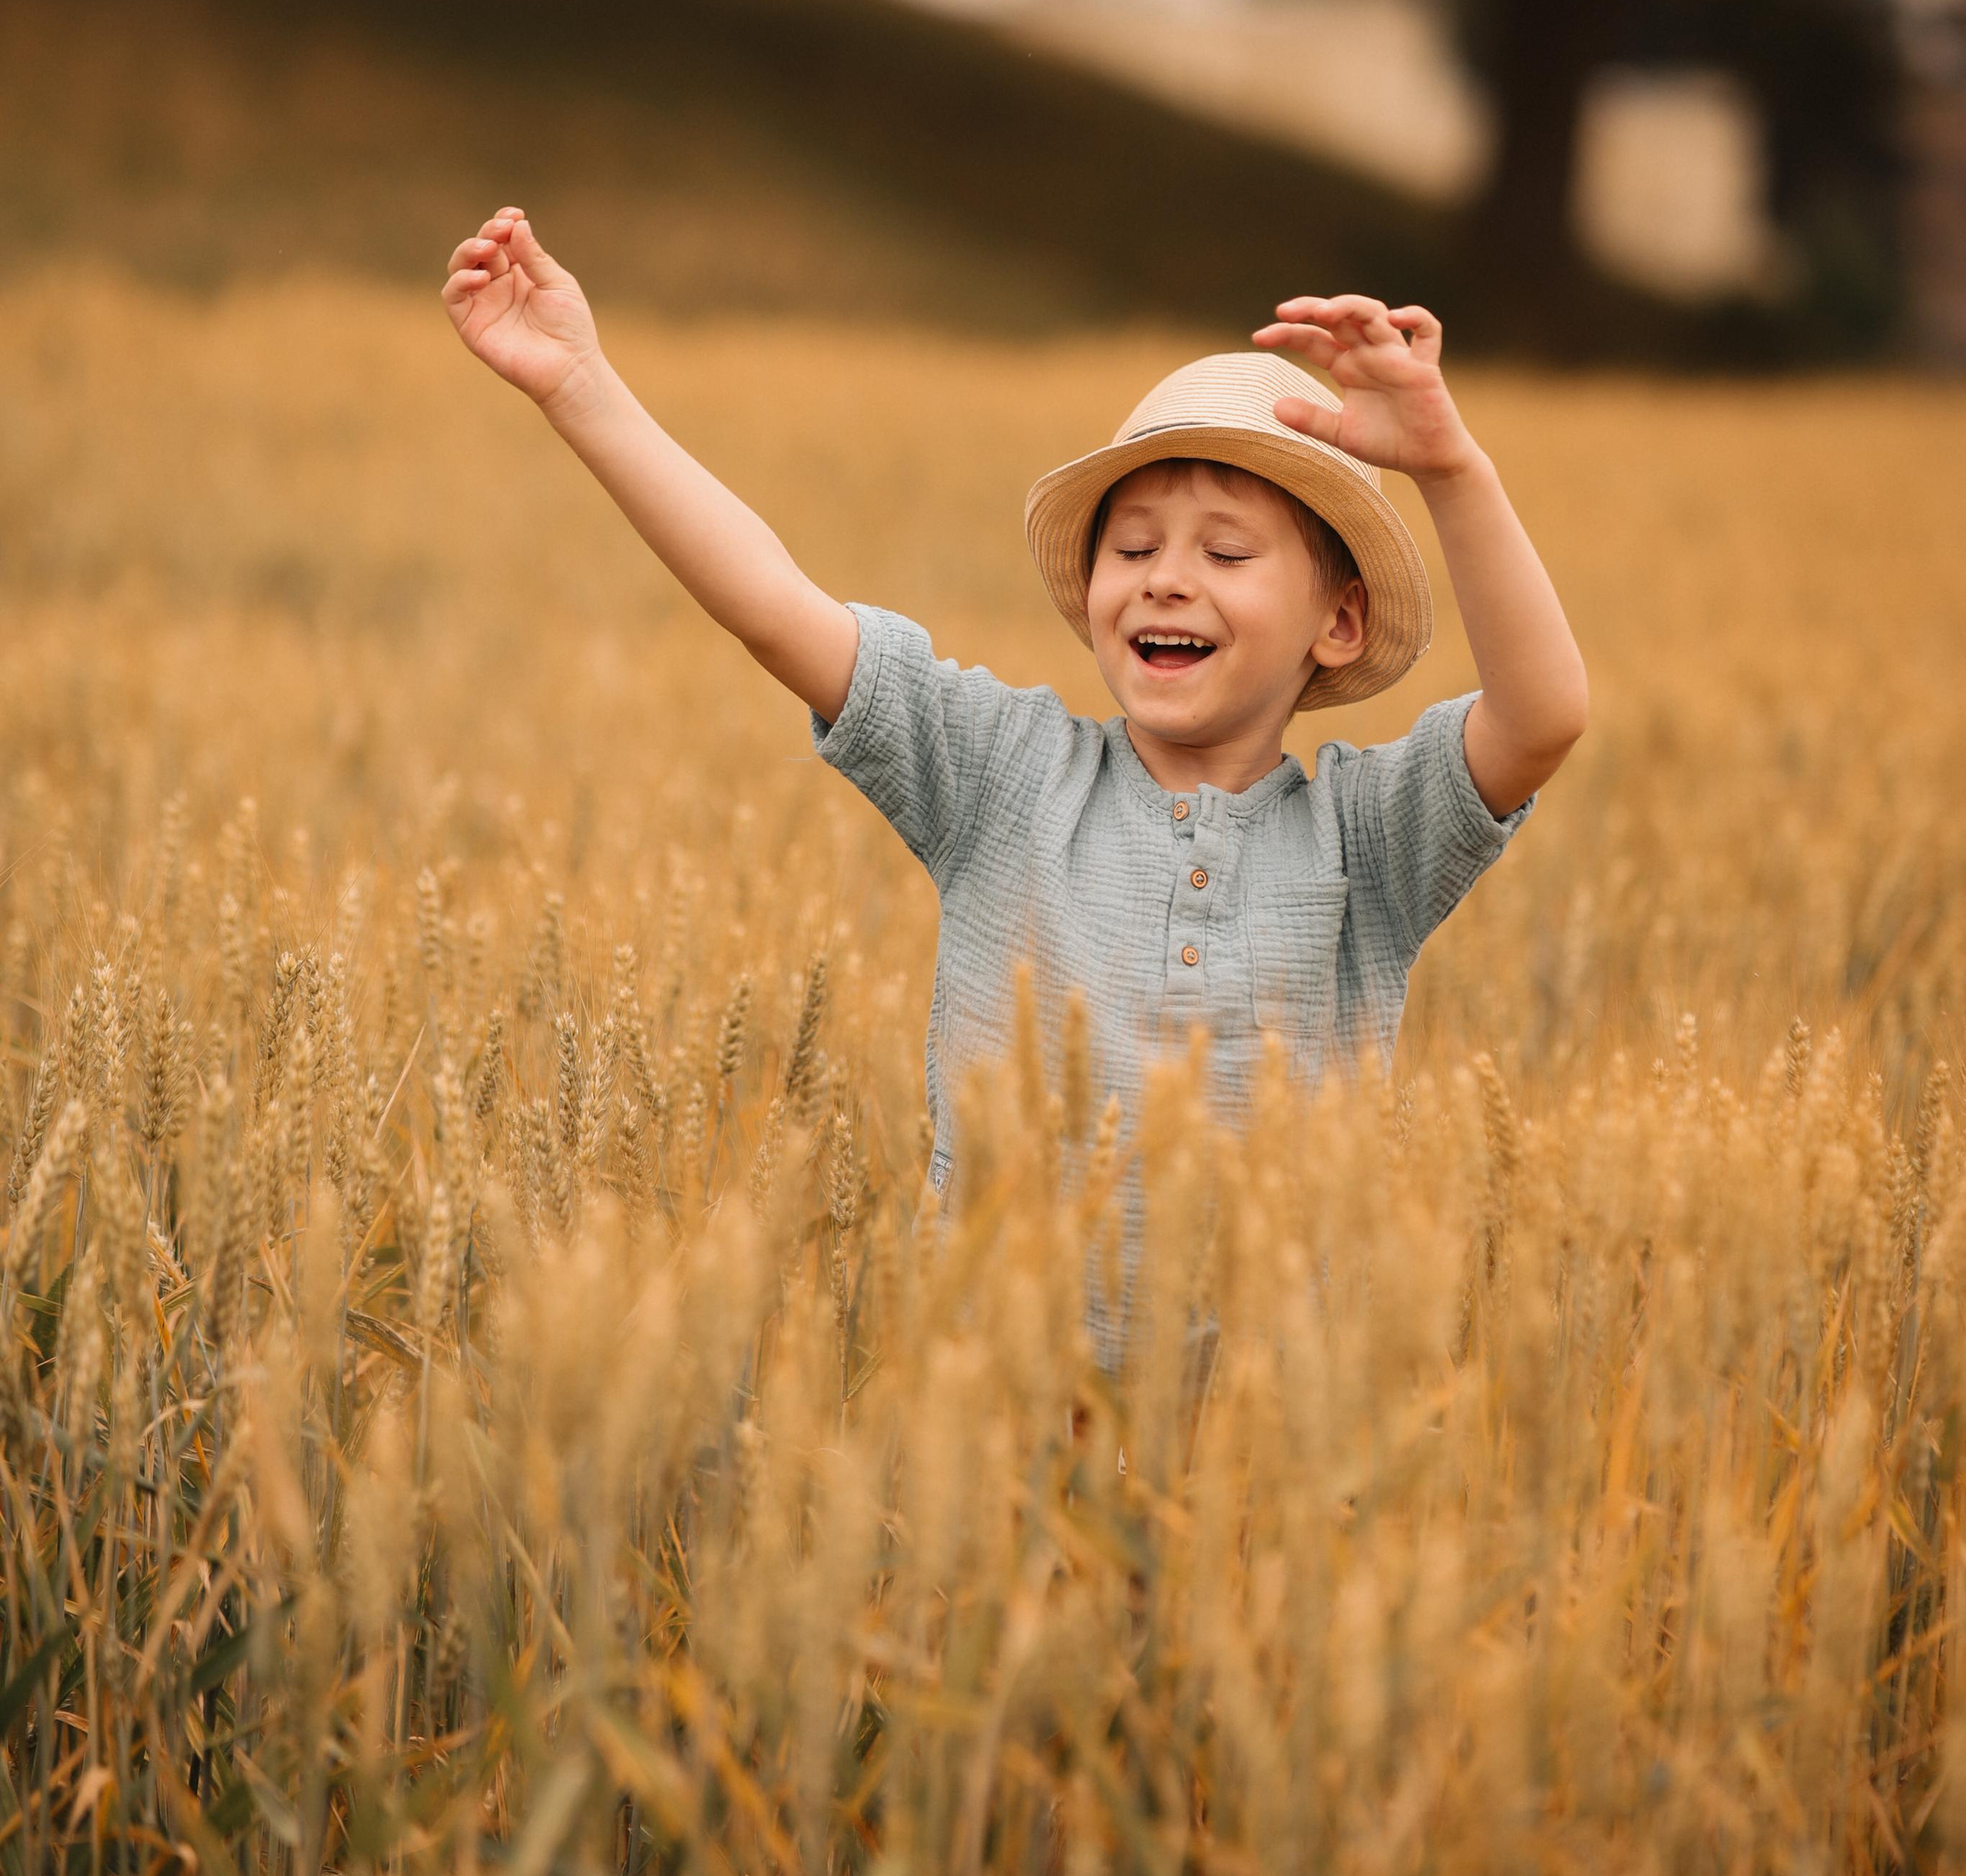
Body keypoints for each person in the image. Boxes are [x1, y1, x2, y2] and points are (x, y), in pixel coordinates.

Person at [443, 208, 1586, 1193]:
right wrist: (580, 386)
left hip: (1272, 1390)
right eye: (1131, 547)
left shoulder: (1369, 841)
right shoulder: (1003, 776)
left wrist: (1451, 471)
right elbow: (776, 610)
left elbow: (1542, 716)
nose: (1165, 578)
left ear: (1338, 621)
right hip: (999, 1377)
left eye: (1227, 552)